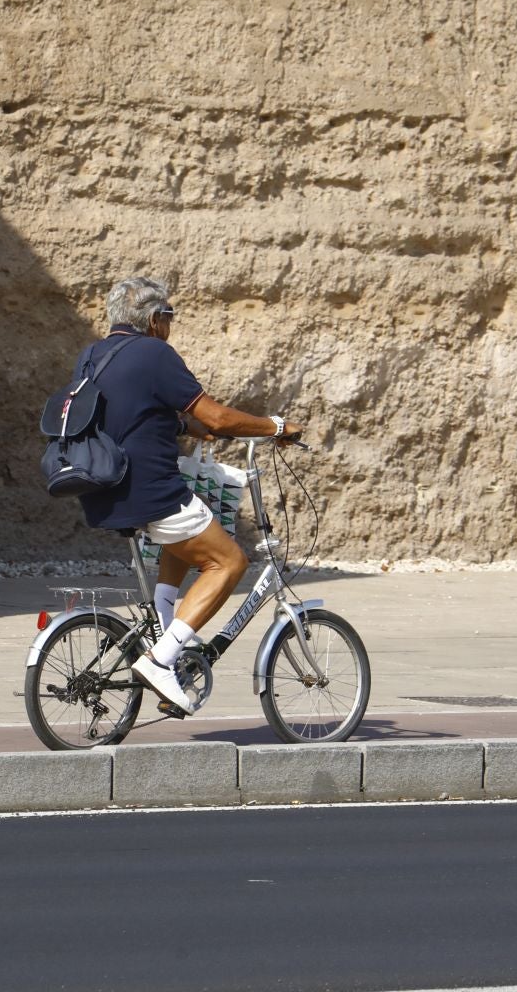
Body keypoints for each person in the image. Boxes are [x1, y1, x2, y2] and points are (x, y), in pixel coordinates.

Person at [76, 276, 304, 715]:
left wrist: (182, 426)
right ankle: (162, 661)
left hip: (102, 489)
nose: (171, 326)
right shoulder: (155, 353)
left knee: (182, 546)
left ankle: (171, 652)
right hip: (151, 488)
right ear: (156, 319)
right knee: (229, 561)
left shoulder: (93, 354)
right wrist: (275, 427)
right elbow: (217, 417)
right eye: (170, 317)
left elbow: (125, 414)